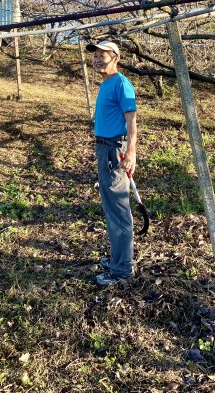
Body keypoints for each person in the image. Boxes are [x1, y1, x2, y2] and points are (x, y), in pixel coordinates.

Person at [86, 40, 137, 287]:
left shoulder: (121, 83)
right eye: (94, 56)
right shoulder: (106, 84)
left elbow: (132, 121)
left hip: (114, 150)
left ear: (115, 57)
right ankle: (119, 259)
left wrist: (131, 152)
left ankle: (122, 269)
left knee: (118, 210)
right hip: (103, 147)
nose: (96, 59)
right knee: (111, 207)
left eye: (101, 55)